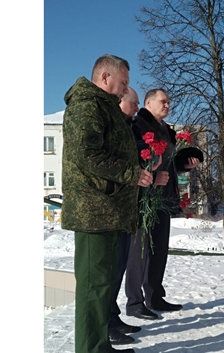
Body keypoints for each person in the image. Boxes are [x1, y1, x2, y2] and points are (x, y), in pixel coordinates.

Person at [62, 54, 154, 353]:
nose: (125, 88)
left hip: (108, 210)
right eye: (123, 82)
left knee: (102, 287)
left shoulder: (104, 107)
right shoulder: (87, 106)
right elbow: (86, 155)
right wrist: (130, 174)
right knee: (93, 288)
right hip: (94, 212)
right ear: (105, 77)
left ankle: (100, 346)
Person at [125, 88, 200, 320]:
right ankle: (135, 302)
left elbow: (168, 163)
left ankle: (154, 296)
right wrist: (151, 178)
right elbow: (135, 158)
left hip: (164, 197)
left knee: (159, 251)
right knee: (139, 251)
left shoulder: (166, 130)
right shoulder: (137, 126)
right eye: (163, 101)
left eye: (169, 102)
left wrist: (185, 164)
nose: (167, 105)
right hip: (144, 197)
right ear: (148, 102)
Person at [108, 87, 143, 346]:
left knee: (118, 268)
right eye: (134, 103)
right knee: (110, 271)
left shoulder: (129, 127)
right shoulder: (113, 126)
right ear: (122, 103)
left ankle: (112, 316)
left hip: (124, 208)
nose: (137, 108)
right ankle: (106, 324)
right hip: (111, 208)